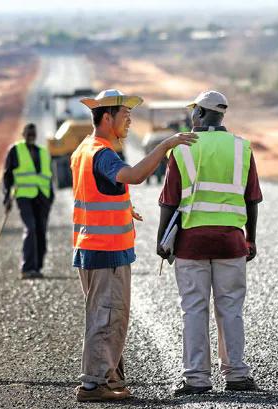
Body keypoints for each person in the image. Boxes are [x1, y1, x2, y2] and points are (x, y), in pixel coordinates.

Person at [72, 89, 196, 402]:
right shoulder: (102, 152)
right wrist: (166, 145)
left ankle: (109, 376)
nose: (129, 121)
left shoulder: (84, 150)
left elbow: (95, 194)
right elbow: (135, 176)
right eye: (125, 116)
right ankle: (93, 385)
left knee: (107, 314)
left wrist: (123, 208)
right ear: (106, 117)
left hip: (93, 247)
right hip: (106, 250)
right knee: (108, 316)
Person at [157, 90, 262, 396]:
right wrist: (250, 239)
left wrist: (162, 240)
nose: (192, 117)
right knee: (230, 309)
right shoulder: (242, 148)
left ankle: (196, 379)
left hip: (191, 244)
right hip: (231, 242)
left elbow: (169, 201)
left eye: (194, 112)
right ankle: (237, 375)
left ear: (201, 114)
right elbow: (252, 199)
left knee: (194, 309)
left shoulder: (182, 149)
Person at [2, 123, 53, 279]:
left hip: (42, 197)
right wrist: (7, 198)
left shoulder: (43, 152)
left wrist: (50, 197)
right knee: (30, 228)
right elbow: (7, 175)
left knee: (41, 231)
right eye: (28, 133)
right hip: (24, 195)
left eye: (33, 133)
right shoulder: (15, 150)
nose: (31, 135)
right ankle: (27, 268)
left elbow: (48, 178)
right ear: (23, 134)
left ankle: (37, 268)